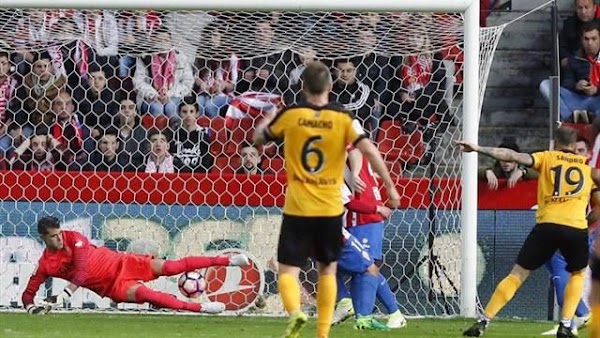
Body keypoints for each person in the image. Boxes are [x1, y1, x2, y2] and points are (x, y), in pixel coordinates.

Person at [253, 61, 400, 338]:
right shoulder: (343, 118)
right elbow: (369, 150)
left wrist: (268, 118)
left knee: (288, 268)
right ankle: (322, 333)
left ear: (303, 87)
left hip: (298, 207)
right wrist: (390, 187)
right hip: (331, 208)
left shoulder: (291, 115)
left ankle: (295, 312)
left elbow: (258, 139)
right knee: (328, 270)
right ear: (330, 86)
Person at [458, 127, 598, 338]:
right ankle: (566, 325)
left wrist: (478, 148)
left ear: (555, 143)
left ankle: (483, 321)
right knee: (577, 274)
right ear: (574, 146)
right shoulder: (588, 168)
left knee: (517, 274)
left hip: (547, 225)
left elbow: (511, 156)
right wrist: (586, 223)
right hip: (576, 227)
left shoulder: (546, 157)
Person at [23, 216, 250, 315]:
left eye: (59, 233)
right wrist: (31, 307)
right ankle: (202, 308)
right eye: (53, 237)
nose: (59, 239)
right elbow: (28, 294)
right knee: (150, 295)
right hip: (112, 287)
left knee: (172, 267)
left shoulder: (74, 238)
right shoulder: (46, 264)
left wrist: (62, 295)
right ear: (43, 238)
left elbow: (81, 272)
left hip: (124, 262)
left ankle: (228, 260)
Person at [332, 146, 407, 329]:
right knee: (336, 262)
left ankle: (390, 313)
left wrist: (355, 174)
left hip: (364, 216)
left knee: (365, 268)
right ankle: (348, 304)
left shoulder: (339, 135)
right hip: (357, 215)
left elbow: (353, 150)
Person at [542, 137, 596, 335]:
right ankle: (579, 314)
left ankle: (570, 323)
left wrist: (585, 228)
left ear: (589, 154)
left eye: (582, 150)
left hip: (575, 231)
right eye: (576, 149)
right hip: (561, 228)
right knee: (553, 268)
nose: (577, 153)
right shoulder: (566, 171)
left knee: (561, 274)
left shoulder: (589, 175)